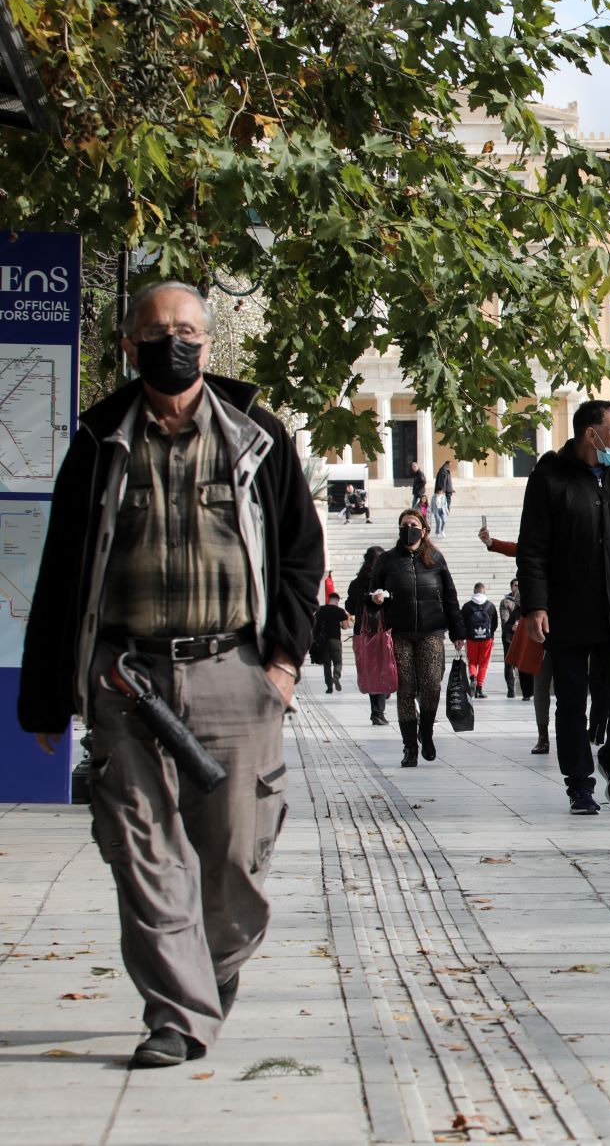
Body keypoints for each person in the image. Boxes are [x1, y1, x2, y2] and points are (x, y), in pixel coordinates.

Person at [18, 280, 323, 1069]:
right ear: (130, 344)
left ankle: (202, 984)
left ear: (209, 342)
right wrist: (52, 692)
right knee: (142, 851)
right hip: (126, 678)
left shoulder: (257, 434)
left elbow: (300, 555)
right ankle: (176, 1014)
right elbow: (61, 570)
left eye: (186, 329)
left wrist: (283, 665)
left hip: (235, 672)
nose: (173, 341)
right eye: (156, 330)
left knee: (234, 861)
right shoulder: (98, 442)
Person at [518, 400, 610, 816]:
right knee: (572, 699)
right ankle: (579, 783)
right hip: (569, 607)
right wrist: (535, 604)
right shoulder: (548, 477)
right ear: (589, 433)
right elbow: (532, 548)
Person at [371, 508, 465, 767]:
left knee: (431, 685)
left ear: (423, 530)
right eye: (404, 524)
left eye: (413, 524)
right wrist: (375, 600)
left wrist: (458, 631)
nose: (408, 528)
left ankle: (427, 733)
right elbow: (369, 596)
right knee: (406, 688)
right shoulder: (387, 560)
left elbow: (450, 596)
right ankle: (410, 746)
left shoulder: (435, 558)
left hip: (432, 631)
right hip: (399, 632)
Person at [482, 525, 552, 754]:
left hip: (570, 627)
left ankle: (573, 731)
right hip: (542, 628)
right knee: (540, 685)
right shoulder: (541, 548)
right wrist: (492, 543)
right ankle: (543, 735)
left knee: (571, 685)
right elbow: (518, 549)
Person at [346, 545, 392, 725]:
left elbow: (349, 608)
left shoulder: (357, 583)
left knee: (373, 670)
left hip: (364, 632)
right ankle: (386, 693)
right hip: (386, 630)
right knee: (387, 666)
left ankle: (377, 712)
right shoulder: (387, 581)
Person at [461, 582, 498, 698]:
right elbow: (495, 624)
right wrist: (491, 635)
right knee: (483, 664)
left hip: (471, 638)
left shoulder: (467, 606)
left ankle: (473, 677)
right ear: (484, 591)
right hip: (486, 639)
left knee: (472, 661)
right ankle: (479, 689)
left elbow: (461, 623)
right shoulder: (490, 606)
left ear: (474, 591)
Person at [312, 591, 349, 693]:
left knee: (327, 664)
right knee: (338, 661)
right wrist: (340, 624)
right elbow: (345, 626)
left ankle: (329, 687)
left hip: (323, 641)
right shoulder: (340, 611)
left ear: (329, 599)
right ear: (337, 600)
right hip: (335, 639)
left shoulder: (320, 610)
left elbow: (315, 624)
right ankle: (336, 677)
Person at [499, 577, 529, 700]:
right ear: (511, 587)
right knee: (509, 663)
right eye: (515, 585)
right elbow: (505, 621)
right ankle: (511, 689)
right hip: (509, 637)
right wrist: (513, 626)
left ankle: (526, 691)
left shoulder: (523, 601)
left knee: (522, 664)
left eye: (519, 585)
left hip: (523, 636)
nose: (517, 588)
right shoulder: (506, 602)